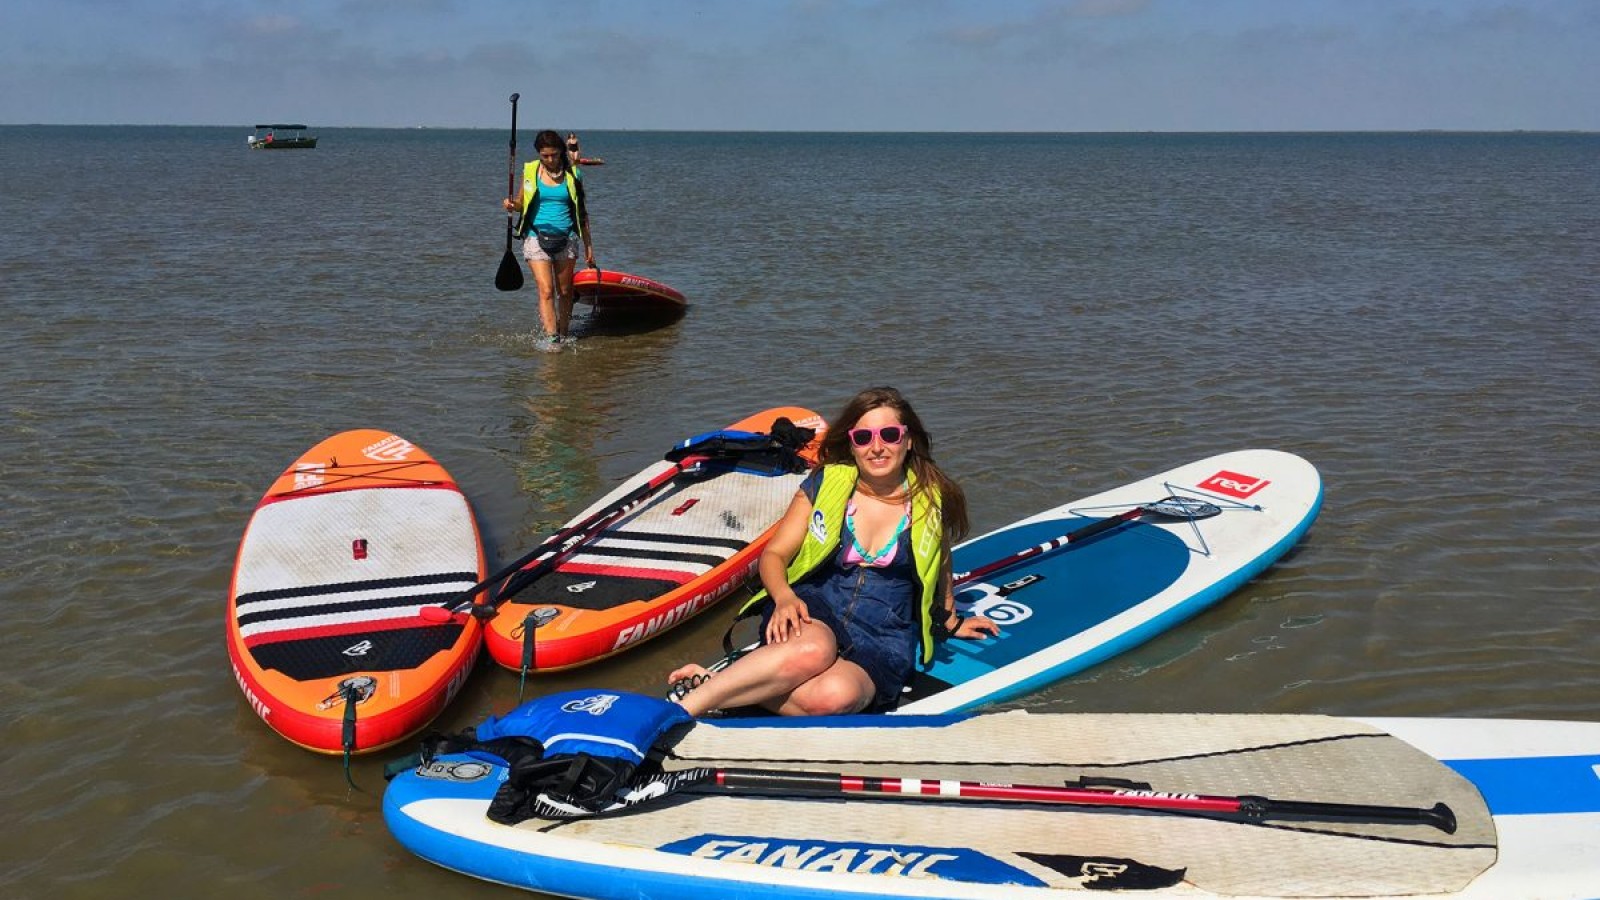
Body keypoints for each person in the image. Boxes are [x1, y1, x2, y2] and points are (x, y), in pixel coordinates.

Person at [666, 387, 998, 717]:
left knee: (834, 698)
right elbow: (774, 554)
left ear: (908, 440)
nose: (877, 447)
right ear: (851, 444)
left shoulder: (931, 499)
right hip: (814, 606)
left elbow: (940, 560)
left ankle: (719, 685)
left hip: (883, 633)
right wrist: (783, 597)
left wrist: (950, 619)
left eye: (889, 435)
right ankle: (680, 711)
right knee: (814, 649)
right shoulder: (825, 484)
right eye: (863, 437)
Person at [502, 129, 595, 348]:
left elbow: (582, 213)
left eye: (554, 154)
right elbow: (521, 203)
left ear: (561, 151)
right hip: (535, 236)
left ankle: (563, 333)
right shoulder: (531, 172)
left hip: (567, 238)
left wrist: (589, 247)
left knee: (565, 291)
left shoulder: (573, 174)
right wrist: (512, 205)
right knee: (546, 290)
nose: (550, 160)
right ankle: (552, 339)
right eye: (545, 155)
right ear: (539, 154)